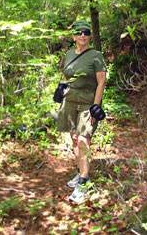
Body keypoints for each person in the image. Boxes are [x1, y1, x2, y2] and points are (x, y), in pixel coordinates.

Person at [57, 20, 107, 203]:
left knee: (84, 139)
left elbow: (101, 81)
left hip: (88, 102)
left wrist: (96, 105)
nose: (83, 36)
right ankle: (80, 173)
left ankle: (84, 182)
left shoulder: (96, 56)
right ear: (73, 36)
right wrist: (61, 91)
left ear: (89, 36)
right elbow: (66, 75)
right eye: (79, 33)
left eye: (86, 32)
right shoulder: (69, 54)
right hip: (70, 101)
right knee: (75, 139)